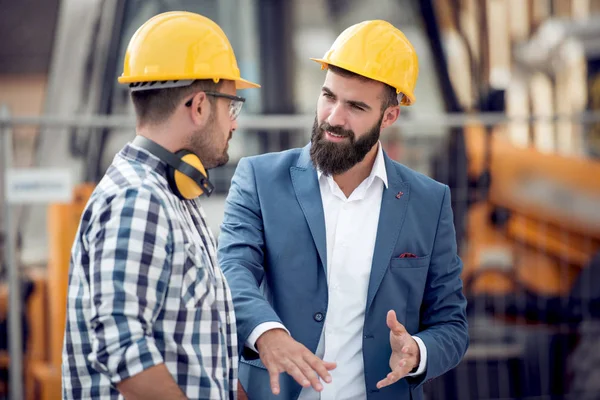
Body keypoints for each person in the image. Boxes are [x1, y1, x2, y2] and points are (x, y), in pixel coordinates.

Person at [218, 19, 469, 400]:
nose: (334, 117)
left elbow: (451, 323)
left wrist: (418, 352)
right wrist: (267, 332)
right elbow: (232, 273)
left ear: (389, 117)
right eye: (329, 96)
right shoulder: (258, 178)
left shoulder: (429, 202)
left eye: (355, 106)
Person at [61, 11, 259, 400]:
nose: (234, 123)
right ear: (199, 106)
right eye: (231, 107)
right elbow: (121, 348)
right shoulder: (137, 200)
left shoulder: (171, 194)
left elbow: (190, 345)